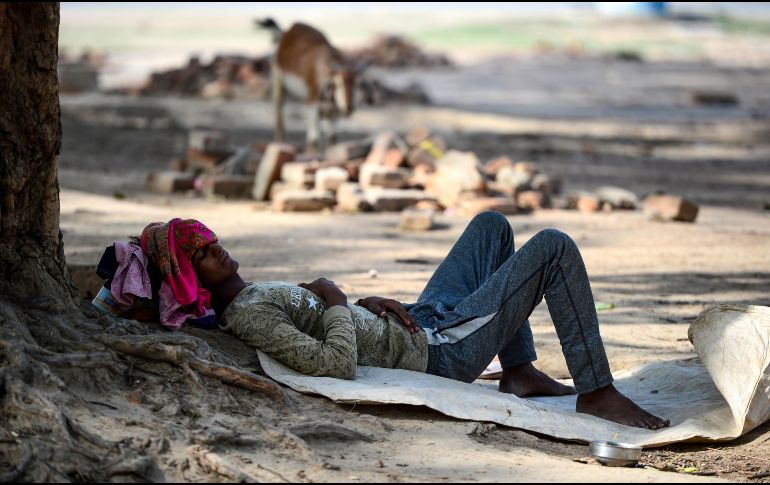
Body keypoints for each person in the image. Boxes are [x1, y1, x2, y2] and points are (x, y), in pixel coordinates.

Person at [140, 212, 670, 430]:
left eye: (214, 240)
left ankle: (520, 369)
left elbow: (323, 312)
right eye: (205, 253)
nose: (220, 250)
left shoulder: (254, 294)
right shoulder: (248, 313)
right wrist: (335, 299)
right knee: (552, 247)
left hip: (418, 320)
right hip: (439, 352)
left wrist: (360, 301)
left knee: (491, 226)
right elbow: (334, 364)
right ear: (192, 277)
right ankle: (596, 390)